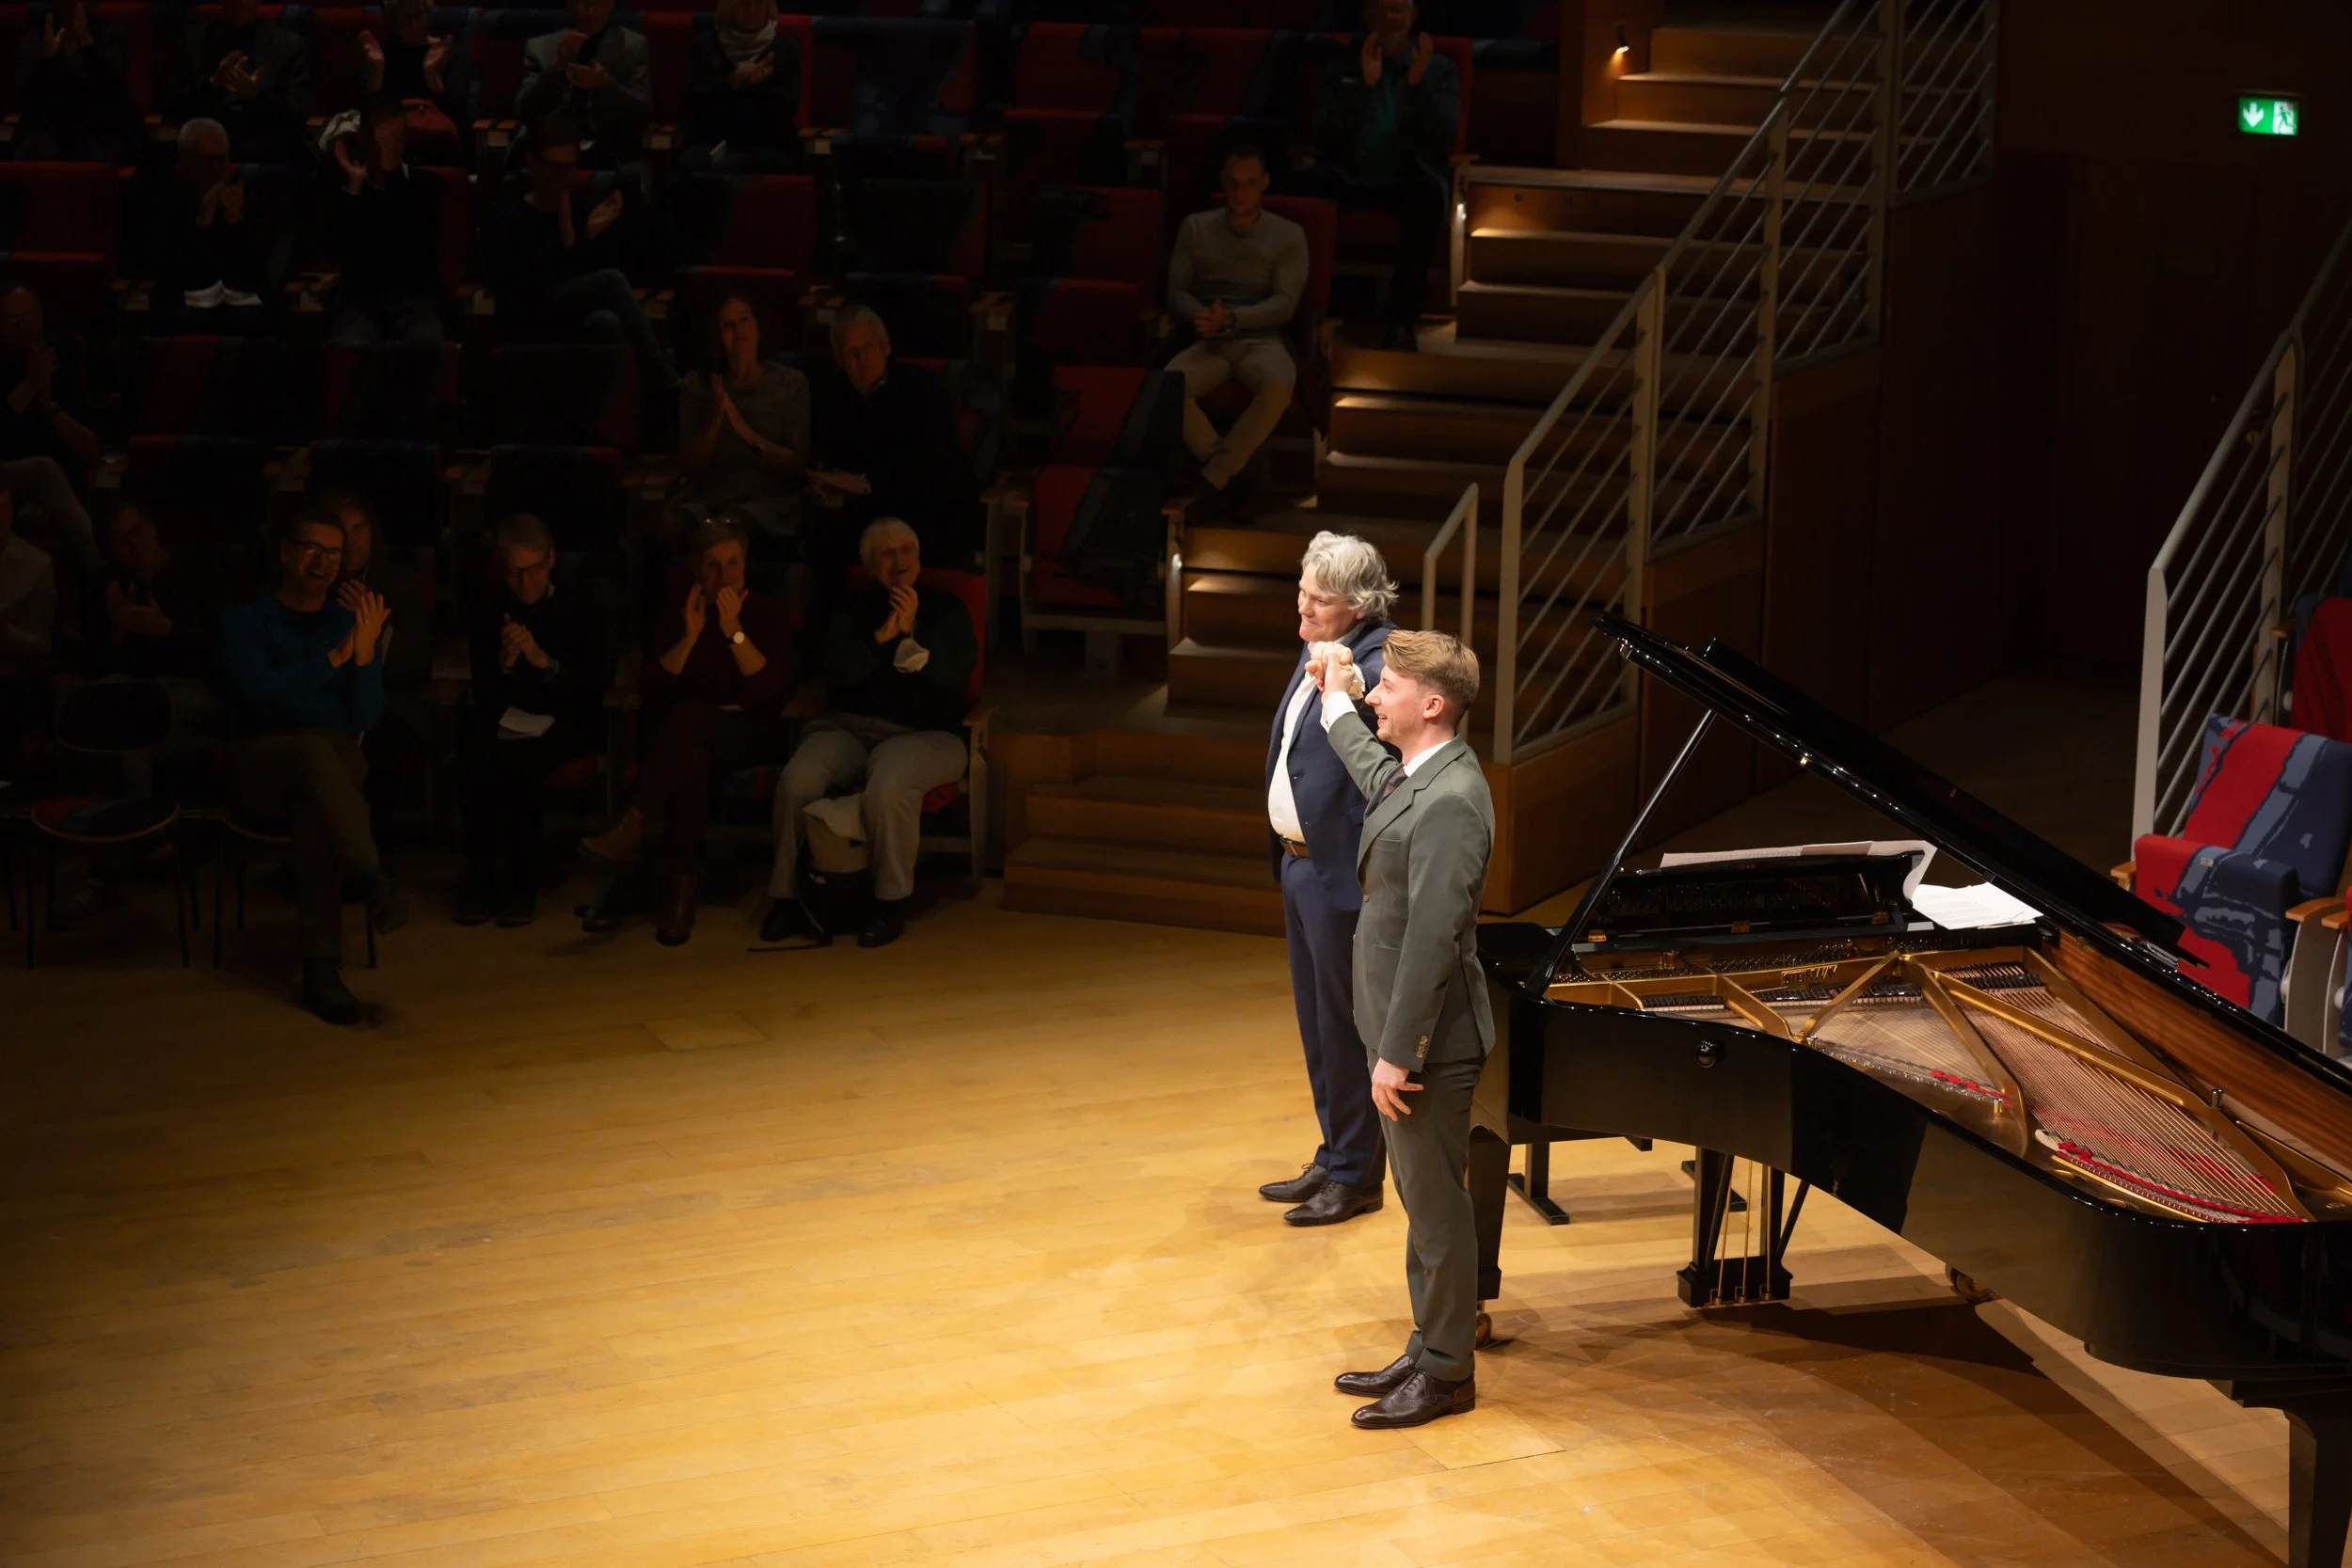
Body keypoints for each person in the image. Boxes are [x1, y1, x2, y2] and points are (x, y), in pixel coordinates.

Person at [1311, 626, 1492, 1431]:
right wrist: (1334, 698)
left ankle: (1450, 1370)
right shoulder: (1424, 773)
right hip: (1403, 1036)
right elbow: (1374, 769)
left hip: (1427, 1045)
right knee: (1423, 1205)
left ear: (1431, 702)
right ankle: (1429, 1344)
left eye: (1384, 687)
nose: (1374, 695)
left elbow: (1433, 939)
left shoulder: (1453, 800)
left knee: (1437, 1209)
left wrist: (1395, 1053)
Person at [216, 514, 406, 1025]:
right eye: (311, 550)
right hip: (261, 761)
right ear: (285, 552)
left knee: (316, 797)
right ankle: (367, 881)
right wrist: (336, 658)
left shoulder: (347, 623)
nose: (322, 563)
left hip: (334, 764)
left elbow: (365, 717)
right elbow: (259, 699)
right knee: (308, 755)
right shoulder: (247, 623)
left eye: (333, 554)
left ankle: (322, 967)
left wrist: (364, 656)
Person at [1262, 534, 1395, 1226]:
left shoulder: (1378, 660)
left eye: (1319, 596)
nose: (1303, 604)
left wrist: (1353, 684)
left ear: (1359, 604)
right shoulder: (1320, 643)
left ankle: (1357, 1174)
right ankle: (1335, 1150)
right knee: (1317, 1023)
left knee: (1345, 1026)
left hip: (1336, 872)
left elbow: (1379, 727)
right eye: (1303, 589)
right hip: (1296, 864)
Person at [580, 515, 790, 945]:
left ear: (745, 566)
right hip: (683, 742)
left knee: (689, 718)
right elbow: (651, 685)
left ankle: (633, 827)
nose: (723, 575)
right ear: (697, 569)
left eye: (733, 563)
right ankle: (681, 894)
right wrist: (691, 636)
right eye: (713, 564)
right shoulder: (679, 610)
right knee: (691, 759)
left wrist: (734, 633)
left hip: (747, 731)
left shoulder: (765, 612)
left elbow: (771, 691)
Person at [763, 518, 972, 951]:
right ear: (868, 565)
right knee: (797, 780)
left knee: (889, 785)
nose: (899, 561)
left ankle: (889, 904)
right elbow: (840, 672)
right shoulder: (852, 609)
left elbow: (955, 674)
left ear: (919, 557)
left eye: (906, 551)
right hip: (849, 728)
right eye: (886, 554)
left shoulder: (947, 606)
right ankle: (785, 898)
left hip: (926, 734)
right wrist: (884, 636)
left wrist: (915, 630)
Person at [455, 514, 606, 927]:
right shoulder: (491, 607)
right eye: (514, 572)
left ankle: (521, 882)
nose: (524, 583)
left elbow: (593, 684)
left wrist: (543, 661)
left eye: (533, 570)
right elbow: (484, 692)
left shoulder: (580, 602)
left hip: (566, 721)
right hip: (508, 717)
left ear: (551, 559)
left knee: (517, 763)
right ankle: (483, 877)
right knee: (472, 755)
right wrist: (505, 662)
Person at [1296, 0, 1458, 351]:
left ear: (1413, 16)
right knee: (1305, 185)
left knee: (1428, 194)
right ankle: (1306, 314)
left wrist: (1417, 85)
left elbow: (1442, 140)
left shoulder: (1439, 69)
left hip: (1406, 177)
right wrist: (1362, 88)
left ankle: (1400, 321)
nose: (1390, 17)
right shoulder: (1341, 65)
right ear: (1367, 15)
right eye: (1381, 8)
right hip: (1348, 175)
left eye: (1398, 8)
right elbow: (1322, 134)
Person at [484, 114, 677, 399]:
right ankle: (664, 379)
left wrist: (590, 235)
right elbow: (522, 287)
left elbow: (594, 278)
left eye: (568, 168)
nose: (559, 178)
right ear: (532, 163)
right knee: (610, 282)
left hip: (573, 318)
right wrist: (567, 239)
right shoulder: (508, 215)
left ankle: (616, 415)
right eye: (552, 167)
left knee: (607, 321)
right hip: (528, 318)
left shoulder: (579, 208)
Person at [1169, 145, 1307, 523]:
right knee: (1168, 385)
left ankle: (1215, 477)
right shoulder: (1196, 228)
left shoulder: (1288, 235)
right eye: (1232, 183)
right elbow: (1176, 291)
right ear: (1222, 184)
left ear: (1264, 184)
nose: (1239, 192)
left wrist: (1234, 318)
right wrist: (1199, 314)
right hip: (1209, 338)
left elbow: (1284, 304)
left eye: (1248, 184)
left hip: (1259, 338)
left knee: (1280, 382)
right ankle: (1233, 473)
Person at [807, 307, 977, 593]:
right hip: (855, 509)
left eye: (868, 347)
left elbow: (935, 459)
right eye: (851, 351)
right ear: (839, 359)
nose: (861, 358)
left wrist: (865, 483)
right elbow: (821, 455)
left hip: (917, 500)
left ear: (886, 347)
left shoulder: (922, 388)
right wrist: (821, 483)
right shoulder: (828, 395)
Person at [84, 500, 234, 757]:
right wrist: (118, 630)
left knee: (138, 708)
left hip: (196, 686)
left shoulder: (198, 570)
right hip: (140, 685)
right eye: (121, 540)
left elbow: (224, 648)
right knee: (99, 698)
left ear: (152, 528)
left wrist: (167, 629)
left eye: (137, 531)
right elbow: (100, 666)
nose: (133, 543)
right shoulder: (113, 586)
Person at [675, 293, 808, 545]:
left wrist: (742, 429)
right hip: (708, 494)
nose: (739, 331)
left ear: (758, 327)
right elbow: (691, 465)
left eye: (745, 320)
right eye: (729, 325)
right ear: (718, 336)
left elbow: (795, 464)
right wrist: (717, 414)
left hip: (767, 497)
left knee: (728, 528)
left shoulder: (791, 383)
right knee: (672, 523)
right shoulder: (696, 385)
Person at [322, 96, 446, 348]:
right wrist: (357, 187)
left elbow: (409, 250)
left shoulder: (424, 186)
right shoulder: (345, 188)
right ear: (365, 139)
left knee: (427, 342)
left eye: (399, 139)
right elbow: (344, 251)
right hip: (359, 301)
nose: (393, 148)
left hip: (412, 299)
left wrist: (387, 180)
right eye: (383, 141)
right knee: (349, 346)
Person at [0, 286, 101, 575]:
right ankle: (97, 575)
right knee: (44, 469)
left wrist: (47, 404)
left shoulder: (58, 361)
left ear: (41, 320)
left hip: (55, 492)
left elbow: (91, 451)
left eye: (28, 317)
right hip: (5, 478)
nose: (22, 329)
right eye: (12, 321)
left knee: (44, 498)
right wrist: (28, 387)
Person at [149, 119, 273, 333]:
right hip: (185, 297)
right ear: (185, 161)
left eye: (221, 159)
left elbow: (255, 273)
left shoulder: (246, 195)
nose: (216, 168)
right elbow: (172, 271)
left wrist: (235, 222)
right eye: (207, 161)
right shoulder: (166, 199)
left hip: (237, 298)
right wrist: (203, 224)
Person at [169, 0, 312, 166]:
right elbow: (175, 112)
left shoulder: (289, 46)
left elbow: (297, 119)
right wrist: (212, 85)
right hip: (203, 157)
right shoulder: (192, 41)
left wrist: (256, 97)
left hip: (267, 157)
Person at [516, 0, 652, 168]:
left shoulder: (632, 47)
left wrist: (604, 84)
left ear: (612, 4)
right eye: (584, 1)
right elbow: (524, 110)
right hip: (549, 148)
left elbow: (642, 112)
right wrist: (557, 69)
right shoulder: (540, 47)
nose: (591, 8)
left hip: (609, 150)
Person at [10, 0, 143, 166]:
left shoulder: (109, 35)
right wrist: (46, 61)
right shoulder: (36, 37)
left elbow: (117, 96)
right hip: (48, 129)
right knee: (38, 148)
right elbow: (25, 100)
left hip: (97, 129)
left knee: (97, 151)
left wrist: (89, 47)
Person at [683, 0, 801, 172]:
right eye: (744, 3)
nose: (752, 10)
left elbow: (789, 110)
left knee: (733, 166)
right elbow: (691, 102)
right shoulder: (706, 45)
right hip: (712, 139)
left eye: (759, 3)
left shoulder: (785, 49)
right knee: (692, 163)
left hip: (767, 145)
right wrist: (729, 83)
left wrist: (763, 84)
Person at [358, 0, 466, 164]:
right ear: (394, 23)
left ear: (427, 14)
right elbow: (369, 113)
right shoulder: (381, 54)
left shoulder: (446, 52)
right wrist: (378, 71)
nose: (415, 24)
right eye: (407, 19)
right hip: (392, 139)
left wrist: (432, 75)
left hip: (436, 139)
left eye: (418, 16)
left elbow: (458, 117)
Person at [0, 482, 56, 769]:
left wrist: (7, 634)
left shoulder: (36, 566)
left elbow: (43, 646)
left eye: (3, 507)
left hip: (13, 680)